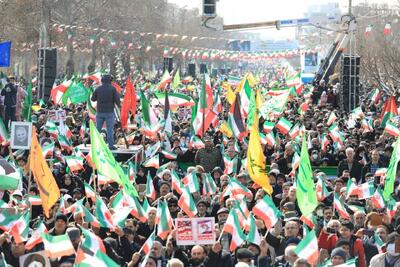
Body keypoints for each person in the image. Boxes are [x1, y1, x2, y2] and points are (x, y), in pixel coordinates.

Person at [91, 74, 120, 149]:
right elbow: (117, 101)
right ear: (110, 81)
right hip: (109, 112)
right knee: (110, 129)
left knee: (97, 129)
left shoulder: (98, 89)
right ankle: (110, 145)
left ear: (102, 81)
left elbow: (93, 99)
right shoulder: (113, 89)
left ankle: (95, 145)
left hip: (100, 112)